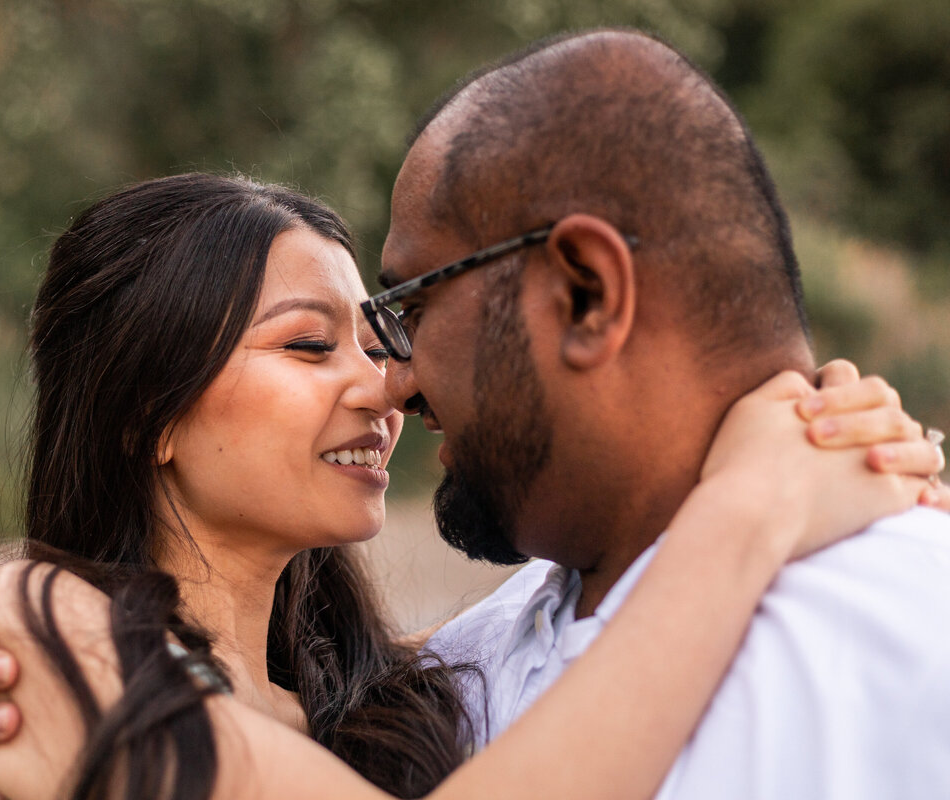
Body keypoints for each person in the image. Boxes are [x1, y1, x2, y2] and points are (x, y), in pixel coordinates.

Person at [0, 164, 947, 800]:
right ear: (148, 410)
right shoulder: (26, 625)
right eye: (306, 346)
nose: (387, 384)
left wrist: (811, 432)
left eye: (374, 339)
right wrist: (752, 508)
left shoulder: (404, 699)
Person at [368, 28, 950, 799]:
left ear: (587, 294)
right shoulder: (449, 672)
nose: (393, 382)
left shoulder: (919, 638)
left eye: (413, 303)